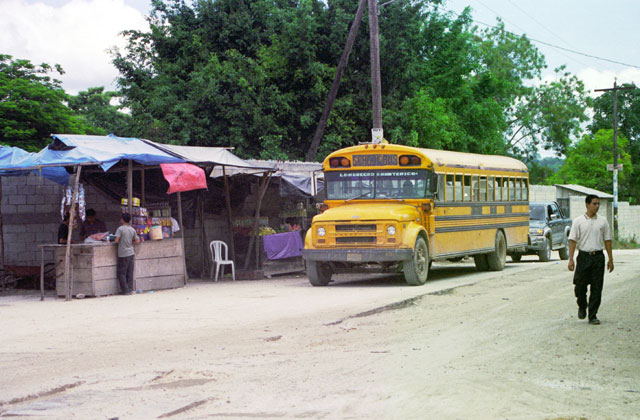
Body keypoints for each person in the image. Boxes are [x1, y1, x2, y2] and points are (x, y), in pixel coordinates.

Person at [567, 194, 614, 325]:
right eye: (594, 203)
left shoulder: (603, 221)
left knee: (597, 288)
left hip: (598, 257)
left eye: (598, 204)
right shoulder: (578, 221)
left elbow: (607, 240)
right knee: (580, 286)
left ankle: (592, 315)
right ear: (587, 204)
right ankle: (582, 305)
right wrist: (571, 259)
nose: (597, 206)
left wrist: (610, 259)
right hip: (583, 257)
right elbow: (572, 240)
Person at [114, 213, 140, 295]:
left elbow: (116, 241)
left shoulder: (120, 229)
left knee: (121, 273)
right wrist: (129, 242)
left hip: (123, 253)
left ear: (122, 219)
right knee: (130, 272)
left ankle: (125, 290)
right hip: (131, 253)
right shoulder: (132, 229)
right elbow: (137, 241)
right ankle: (130, 289)